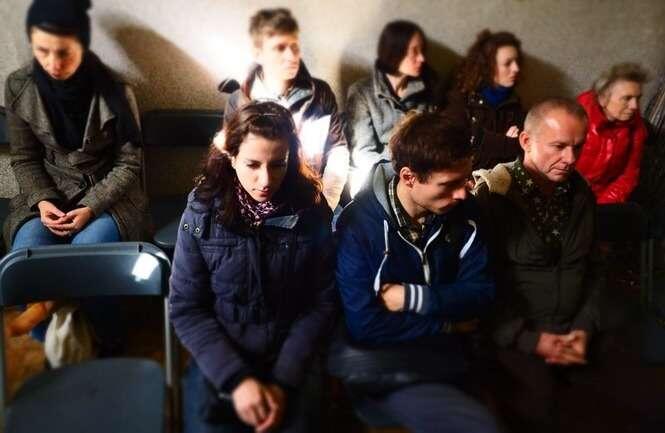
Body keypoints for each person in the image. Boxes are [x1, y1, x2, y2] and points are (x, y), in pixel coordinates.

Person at [471, 98, 665, 432]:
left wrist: (583, 327)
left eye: (578, 147)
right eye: (559, 147)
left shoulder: (579, 195)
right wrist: (531, 340)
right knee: (542, 413)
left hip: (577, 328)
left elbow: (594, 267)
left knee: (651, 400)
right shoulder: (494, 198)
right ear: (526, 141)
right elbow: (482, 286)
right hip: (518, 335)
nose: (571, 159)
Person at [170, 101, 338, 433]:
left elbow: (323, 302)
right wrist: (237, 380)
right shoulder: (201, 212)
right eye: (252, 164)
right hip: (222, 351)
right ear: (231, 157)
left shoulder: (311, 211)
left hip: (292, 354)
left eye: (278, 164)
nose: (265, 180)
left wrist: (283, 380)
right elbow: (186, 307)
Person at [335, 111, 498, 433]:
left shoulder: (466, 213)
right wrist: (449, 323)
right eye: (448, 185)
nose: (462, 193)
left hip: (451, 360)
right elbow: (364, 325)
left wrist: (412, 298)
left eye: (465, 179)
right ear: (408, 177)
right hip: (385, 367)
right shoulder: (358, 226)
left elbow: (483, 293)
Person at [3, 0, 147, 351]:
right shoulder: (19, 87)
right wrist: (43, 201)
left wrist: (91, 207)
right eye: (42, 51)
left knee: (90, 255)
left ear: (82, 43)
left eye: (64, 52)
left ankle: (109, 340)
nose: (53, 64)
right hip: (47, 191)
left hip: (108, 196)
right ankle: (57, 348)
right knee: (26, 258)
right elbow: (24, 158)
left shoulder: (116, 90)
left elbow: (129, 163)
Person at [224, 8, 349, 210]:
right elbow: (230, 159)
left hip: (313, 198)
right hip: (259, 204)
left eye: (294, 47)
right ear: (258, 54)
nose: (291, 56)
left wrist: (327, 202)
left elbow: (338, 149)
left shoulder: (321, 94)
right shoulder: (239, 101)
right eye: (280, 48)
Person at [346, 20, 439, 195]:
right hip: (377, 170)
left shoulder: (427, 89)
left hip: (418, 168)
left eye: (422, 51)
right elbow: (363, 154)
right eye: (414, 51)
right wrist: (399, 167)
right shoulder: (362, 92)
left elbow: (431, 141)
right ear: (394, 51)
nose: (422, 58)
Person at [444, 29, 525, 170]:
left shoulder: (515, 106)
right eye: (507, 63)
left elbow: (520, 150)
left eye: (517, 62)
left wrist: (484, 141)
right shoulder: (462, 99)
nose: (516, 68)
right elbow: (455, 144)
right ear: (488, 66)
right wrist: (505, 142)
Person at [576, 62, 649, 203]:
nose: (634, 106)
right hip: (567, 192)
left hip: (602, 199)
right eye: (627, 98)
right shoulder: (579, 113)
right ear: (603, 98)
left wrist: (601, 206)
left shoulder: (637, 128)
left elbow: (629, 176)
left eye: (638, 98)